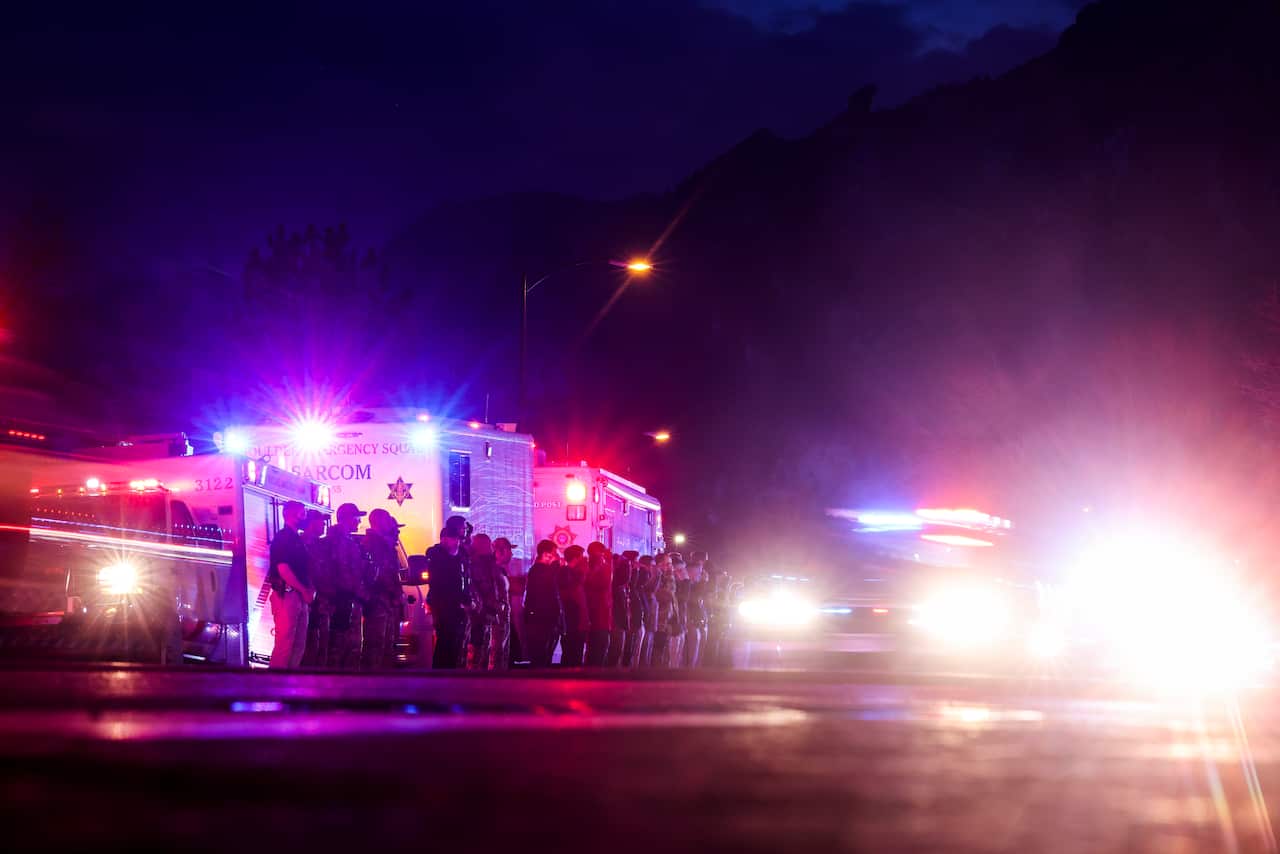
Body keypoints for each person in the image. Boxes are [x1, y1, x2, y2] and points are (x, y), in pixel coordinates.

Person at [268, 500, 316, 669]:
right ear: (290, 514)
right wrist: (303, 590)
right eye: (301, 513)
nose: (304, 517)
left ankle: (289, 685)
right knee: (285, 646)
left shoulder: (297, 538)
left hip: (298, 597)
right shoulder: (283, 538)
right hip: (287, 595)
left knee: (298, 645)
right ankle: (274, 686)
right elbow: (283, 569)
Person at [325, 502, 368, 671]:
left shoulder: (345, 540)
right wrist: (360, 593)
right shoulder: (340, 542)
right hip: (343, 601)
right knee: (342, 649)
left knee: (347, 648)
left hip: (345, 600)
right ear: (347, 518)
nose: (358, 522)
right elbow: (344, 572)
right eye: (356, 518)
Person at [361, 508, 403, 671]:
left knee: (387, 646)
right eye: (387, 520)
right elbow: (380, 573)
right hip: (378, 599)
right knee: (375, 646)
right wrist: (393, 593)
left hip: (387, 600)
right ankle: (371, 686)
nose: (390, 523)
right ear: (378, 522)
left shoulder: (385, 545)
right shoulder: (372, 545)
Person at [426, 524, 468, 669]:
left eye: (458, 539)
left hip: (457, 607)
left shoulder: (461, 557)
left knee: (455, 643)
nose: (457, 542)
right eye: (453, 538)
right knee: (445, 641)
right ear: (444, 539)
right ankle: (440, 675)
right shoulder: (437, 557)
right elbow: (438, 584)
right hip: (443, 607)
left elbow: (464, 580)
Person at [523, 540, 564, 668]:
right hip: (540, 618)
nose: (557, 555)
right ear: (546, 554)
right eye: (554, 552)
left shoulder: (543, 570)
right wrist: (557, 563)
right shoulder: (538, 570)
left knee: (546, 652)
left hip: (547, 617)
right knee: (541, 652)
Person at [300, 509, 333, 668]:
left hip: (322, 603)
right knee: (310, 648)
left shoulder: (320, 544)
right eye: (321, 521)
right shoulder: (304, 544)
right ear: (312, 523)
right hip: (312, 604)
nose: (324, 525)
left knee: (322, 648)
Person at [467, 533, 500, 670]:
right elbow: (486, 587)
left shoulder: (480, 563)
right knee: (479, 645)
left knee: (482, 644)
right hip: (481, 611)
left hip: (482, 610)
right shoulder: (480, 565)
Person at [558, 544, 589, 667]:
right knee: (572, 653)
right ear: (576, 558)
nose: (584, 558)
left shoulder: (573, 574)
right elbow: (570, 597)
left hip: (575, 620)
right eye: (582, 556)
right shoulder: (567, 573)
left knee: (575, 653)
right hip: (572, 621)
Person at [584, 542, 613, 666]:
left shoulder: (593, 567)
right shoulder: (593, 568)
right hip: (598, 615)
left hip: (601, 615)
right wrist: (608, 563)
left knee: (598, 649)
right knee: (598, 650)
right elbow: (605, 583)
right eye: (601, 553)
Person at [490, 537, 515, 670]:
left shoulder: (501, 570)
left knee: (502, 651)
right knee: (496, 651)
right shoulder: (492, 570)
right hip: (497, 619)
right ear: (499, 552)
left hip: (503, 618)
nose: (511, 554)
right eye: (509, 550)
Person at [503, 537, 527, 664]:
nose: (511, 553)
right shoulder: (495, 567)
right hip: (506, 611)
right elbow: (515, 587)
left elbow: (519, 587)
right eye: (508, 550)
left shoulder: (515, 564)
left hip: (515, 609)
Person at [606, 552, 633, 667]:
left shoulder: (621, 588)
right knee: (615, 651)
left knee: (618, 651)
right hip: (615, 623)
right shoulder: (615, 587)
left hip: (620, 623)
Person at [684, 551, 710, 668]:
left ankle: (695, 673)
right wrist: (703, 582)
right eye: (698, 573)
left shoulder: (698, 584)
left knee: (699, 652)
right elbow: (693, 598)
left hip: (700, 619)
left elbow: (701, 598)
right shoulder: (688, 585)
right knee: (692, 653)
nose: (701, 575)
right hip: (691, 620)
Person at [627, 554, 652, 668]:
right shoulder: (632, 590)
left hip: (641, 623)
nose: (637, 566)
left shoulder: (640, 590)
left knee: (637, 657)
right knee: (632, 657)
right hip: (634, 624)